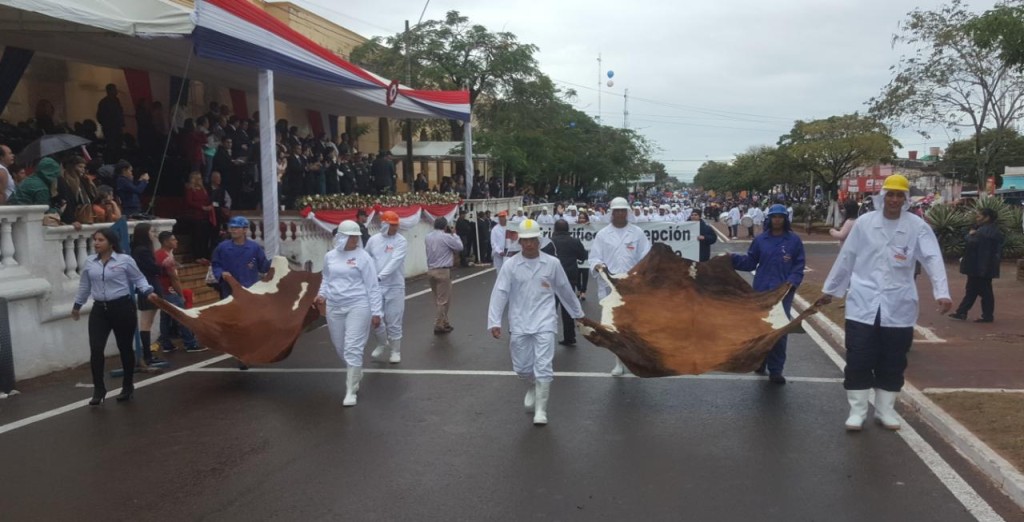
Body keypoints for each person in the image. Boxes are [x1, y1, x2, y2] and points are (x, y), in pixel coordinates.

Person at [818, 174, 951, 431]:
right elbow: (847, 257)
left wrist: (942, 292)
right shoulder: (865, 223)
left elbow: (932, 258)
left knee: (893, 359)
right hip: (862, 302)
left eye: (899, 195)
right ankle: (857, 411)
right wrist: (831, 290)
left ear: (906, 199)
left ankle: (885, 410)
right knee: (859, 358)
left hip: (898, 303)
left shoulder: (917, 226)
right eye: (890, 194)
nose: (894, 199)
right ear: (882, 196)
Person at [488, 219, 584, 425]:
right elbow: (500, 293)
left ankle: (541, 410)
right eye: (525, 240)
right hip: (519, 322)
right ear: (520, 242)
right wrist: (494, 321)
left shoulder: (552, 263)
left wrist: (578, 314)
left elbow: (565, 290)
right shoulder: (510, 265)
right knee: (522, 367)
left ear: (539, 240)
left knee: (543, 365)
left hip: (545, 322)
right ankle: (532, 384)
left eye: (533, 240)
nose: (529, 244)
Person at [72, 227, 153, 405]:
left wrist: (147, 291)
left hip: (122, 307)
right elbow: (84, 285)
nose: (96, 243)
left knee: (124, 347)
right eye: (95, 240)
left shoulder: (125, 260)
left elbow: (139, 278)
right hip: (100, 309)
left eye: (100, 240)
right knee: (96, 348)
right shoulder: (90, 262)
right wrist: (77, 305)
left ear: (111, 242)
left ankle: (127, 385)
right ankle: (99, 389)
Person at [731, 204, 805, 384]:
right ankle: (760, 360)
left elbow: (799, 265)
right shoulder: (760, 240)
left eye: (780, 217)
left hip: (782, 293)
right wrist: (730, 258)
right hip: (762, 290)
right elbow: (750, 262)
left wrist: (792, 282)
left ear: (785, 219)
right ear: (769, 219)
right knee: (761, 330)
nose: (777, 220)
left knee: (779, 331)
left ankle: (776, 370)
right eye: (774, 217)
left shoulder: (794, 241)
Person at [313, 220, 383, 407]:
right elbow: (326, 279)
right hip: (335, 307)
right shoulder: (330, 257)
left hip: (358, 305)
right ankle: (356, 369)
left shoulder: (363, 257)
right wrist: (321, 295)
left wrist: (377, 312)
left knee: (352, 347)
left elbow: (373, 286)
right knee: (340, 347)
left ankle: (351, 390)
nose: (354, 240)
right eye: (351, 236)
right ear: (341, 237)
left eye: (356, 236)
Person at [590, 196, 651, 375]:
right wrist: (598, 265)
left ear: (627, 212)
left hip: (632, 286)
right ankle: (619, 361)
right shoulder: (602, 235)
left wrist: (640, 275)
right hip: (610, 287)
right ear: (611, 213)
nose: (619, 214)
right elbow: (594, 257)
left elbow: (646, 256)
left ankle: (634, 359)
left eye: (623, 210)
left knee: (631, 326)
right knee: (615, 326)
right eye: (616, 211)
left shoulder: (637, 233)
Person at [365, 211, 408, 364]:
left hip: (395, 285)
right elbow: (366, 258)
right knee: (376, 318)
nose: (395, 228)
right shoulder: (373, 240)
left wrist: (380, 276)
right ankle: (382, 343)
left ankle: (395, 351)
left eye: (397, 225)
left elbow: (395, 261)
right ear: (384, 224)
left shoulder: (401, 241)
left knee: (394, 319)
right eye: (392, 225)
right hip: (376, 287)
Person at [949, 208, 1004, 323]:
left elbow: (971, 243)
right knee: (974, 290)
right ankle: (962, 312)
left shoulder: (982, 232)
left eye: (979, 216)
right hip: (984, 266)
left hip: (978, 267)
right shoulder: (994, 231)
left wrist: (969, 235)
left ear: (987, 217)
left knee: (982, 291)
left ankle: (985, 315)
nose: (977, 218)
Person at [154, 232, 205, 354]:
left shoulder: (157, 254)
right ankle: (190, 343)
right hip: (169, 290)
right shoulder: (167, 258)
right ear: (166, 242)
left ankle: (166, 344)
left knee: (165, 317)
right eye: (173, 239)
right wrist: (181, 294)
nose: (176, 241)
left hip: (161, 290)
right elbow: (174, 278)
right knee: (182, 316)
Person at [130, 222, 165, 368]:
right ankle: (147, 356)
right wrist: (164, 265)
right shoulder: (142, 250)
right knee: (146, 323)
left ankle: (147, 355)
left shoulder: (139, 249)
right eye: (151, 231)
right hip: (149, 288)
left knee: (147, 322)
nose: (153, 234)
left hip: (148, 287)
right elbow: (152, 268)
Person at [548, 219, 588, 346]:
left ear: (555, 229)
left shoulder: (550, 242)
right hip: (569, 277)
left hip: (552, 278)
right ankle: (570, 337)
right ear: (567, 229)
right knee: (568, 307)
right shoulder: (574, 241)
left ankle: (546, 335)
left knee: (549, 309)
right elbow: (583, 256)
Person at [425, 217, 464, 334]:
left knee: (438, 299)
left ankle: (444, 322)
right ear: (445, 226)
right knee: (443, 300)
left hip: (431, 270)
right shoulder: (446, 237)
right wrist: (455, 234)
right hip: (442, 271)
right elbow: (459, 247)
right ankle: (438, 324)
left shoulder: (428, 237)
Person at [183, 171, 214, 261]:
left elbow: (207, 200)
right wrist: (202, 207)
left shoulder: (203, 189)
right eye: (199, 178)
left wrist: (210, 206)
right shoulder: (190, 189)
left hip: (205, 216)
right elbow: (189, 202)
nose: (201, 180)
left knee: (205, 237)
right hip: (195, 217)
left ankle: (204, 255)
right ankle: (197, 256)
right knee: (197, 237)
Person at [96, 83, 125, 161]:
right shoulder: (104, 102)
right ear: (109, 91)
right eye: (114, 89)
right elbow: (100, 116)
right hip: (110, 129)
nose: (116, 91)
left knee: (119, 147)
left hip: (118, 128)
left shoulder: (116, 100)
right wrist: (107, 124)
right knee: (112, 148)